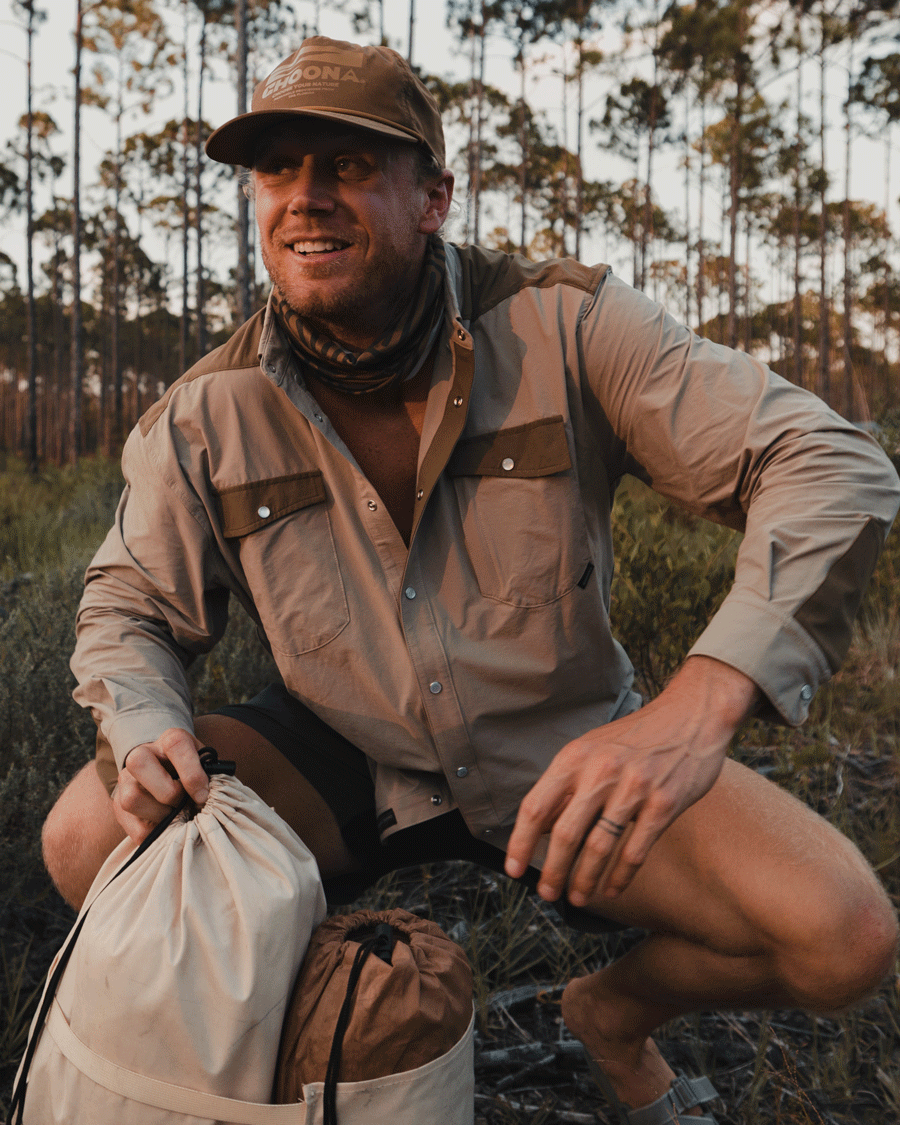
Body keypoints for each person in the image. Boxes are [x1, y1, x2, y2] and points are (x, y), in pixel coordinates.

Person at [43, 36, 900, 1125]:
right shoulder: (205, 413)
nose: (306, 199)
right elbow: (127, 605)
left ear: (433, 195)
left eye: (350, 166)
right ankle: (335, 1025)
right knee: (87, 835)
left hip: (564, 749)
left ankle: (610, 1017)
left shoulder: (565, 324)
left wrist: (699, 704)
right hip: (343, 751)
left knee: (843, 940)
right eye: (277, 170)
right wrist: (146, 719)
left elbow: (832, 463)